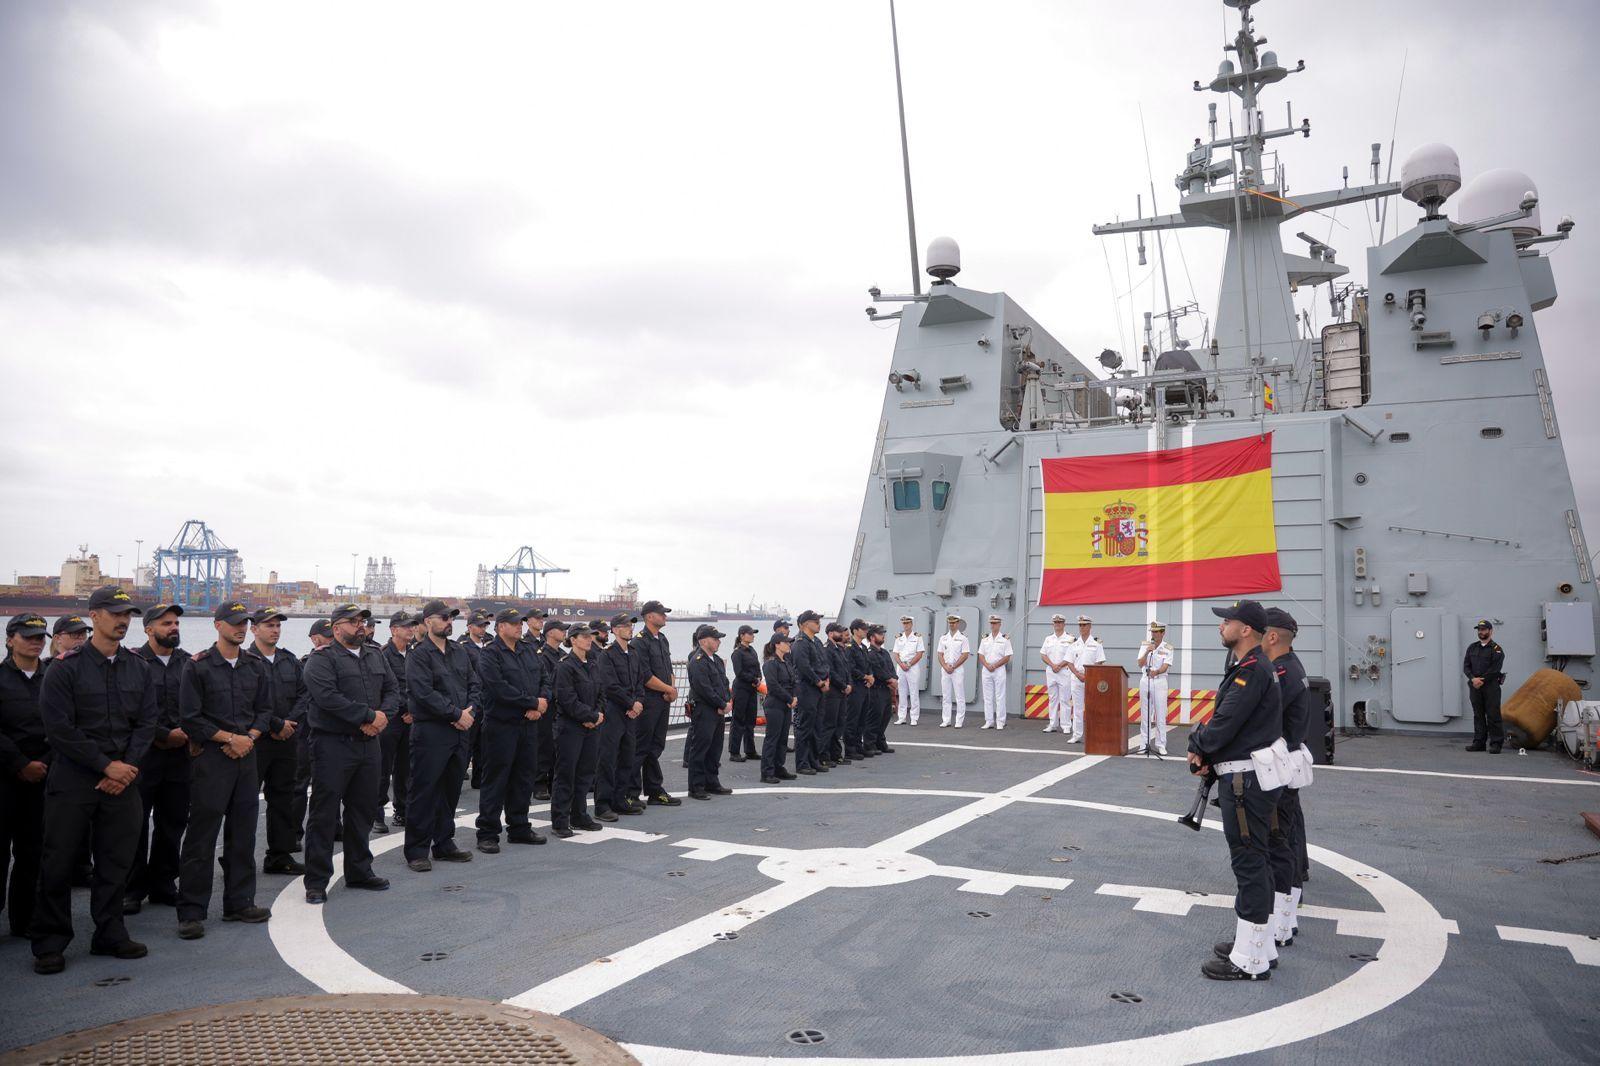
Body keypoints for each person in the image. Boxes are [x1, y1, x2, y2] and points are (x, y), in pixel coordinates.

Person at [31, 585, 158, 975]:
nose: (123, 621)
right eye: (115, 614)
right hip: (74, 780)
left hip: (123, 781)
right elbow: (59, 729)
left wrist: (126, 768)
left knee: (115, 862)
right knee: (58, 862)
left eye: (127, 615)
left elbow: (147, 724)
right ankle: (50, 942)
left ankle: (109, 932)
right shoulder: (64, 668)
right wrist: (106, 766)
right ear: (94, 616)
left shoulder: (139, 668)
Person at [1189, 600, 1283, 981]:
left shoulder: (1251, 670)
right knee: (1255, 860)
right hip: (1247, 776)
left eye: (1227, 621)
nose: (1221, 625)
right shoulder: (1253, 666)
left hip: (1245, 782)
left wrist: (1198, 744)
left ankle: (1251, 960)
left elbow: (1226, 722)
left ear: (1246, 630)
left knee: (1249, 863)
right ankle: (1258, 943)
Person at [175, 599, 274, 940]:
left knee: (243, 833)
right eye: (235, 622)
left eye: (245, 622)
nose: (241, 628)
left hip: (246, 757)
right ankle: (191, 911)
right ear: (218, 625)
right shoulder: (198, 666)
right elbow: (190, 718)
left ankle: (239, 902)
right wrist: (230, 738)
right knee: (202, 836)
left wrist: (249, 738)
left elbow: (265, 710)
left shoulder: (255, 666)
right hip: (212, 758)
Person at [300, 603, 395, 905]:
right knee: (324, 814)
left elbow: (393, 691)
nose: (360, 626)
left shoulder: (375, 655)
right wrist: (368, 716)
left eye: (362, 621)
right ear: (336, 627)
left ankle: (359, 871)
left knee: (362, 811)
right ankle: (316, 881)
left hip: (369, 745)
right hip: (333, 745)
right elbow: (327, 698)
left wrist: (381, 718)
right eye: (353, 621)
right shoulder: (321, 659)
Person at [404, 600, 479, 872]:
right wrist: (456, 714)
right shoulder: (418, 655)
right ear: (428, 622)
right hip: (432, 732)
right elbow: (424, 693)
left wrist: (470, 711)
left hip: (459, 731)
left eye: (451, 618)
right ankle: (417, 850)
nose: (449, 622)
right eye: (444, 617)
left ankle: (444, 843)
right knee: (424, 791)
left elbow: (474, 684)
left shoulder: (459, 652)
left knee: (450, 791)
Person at [125, 603, 190, 914]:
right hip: (143, 755)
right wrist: (163, 734)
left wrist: (185, 733)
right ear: (148, 629)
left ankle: (164, 883)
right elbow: (129, 710)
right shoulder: (132, 664)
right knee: (134, 824)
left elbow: (198, 705)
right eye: (166, 623)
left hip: (181, 756)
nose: (173, 627)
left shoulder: (189, 663)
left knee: (173, 822)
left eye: (175, 623)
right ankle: (132, 888)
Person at [475, 608, 549, 851]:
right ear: (500, 627)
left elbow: (545, 679)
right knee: (496, 780)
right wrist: (531, 703)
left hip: (529, 725)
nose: (520, 626)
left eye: (521, 623)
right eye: (514, 623)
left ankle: (519, 827)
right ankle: (487, 832)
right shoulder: (490, 654)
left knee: (524, 778)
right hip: (501, 726)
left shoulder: (529, 650)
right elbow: (498, 688)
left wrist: (541, 704)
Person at [246, 606, 307, 875]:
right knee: (246, 802)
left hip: (287, 740)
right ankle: (240, 860)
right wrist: (276, 724)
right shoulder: (246, 661)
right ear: (254, 629)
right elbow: (247, 700)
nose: (275, 630)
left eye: (278, 625)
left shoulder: (289, 660)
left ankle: (279, 856)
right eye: (269, 625)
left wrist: (289, 723)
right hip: (256, 741)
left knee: (283, 798)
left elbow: (304, 694)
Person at [1, 614, 52, 940]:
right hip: (4, 777)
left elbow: (65, 722)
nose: (36, 641)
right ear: (10, 640)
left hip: (44, 775)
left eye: (40, 636)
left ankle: (24, 920)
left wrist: (43, 763)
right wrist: (20, 763)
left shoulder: (55, 677)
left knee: (33, 851)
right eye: (28, 636)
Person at [1263, 607, 1309, 949]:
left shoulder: (1282, 672)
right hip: (1287, 764)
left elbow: (1266, 720)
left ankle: (1280, 924)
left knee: (1278, 843)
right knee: (1287, 839)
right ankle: (1287, 919)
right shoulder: (1292, 667)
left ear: (1272, 636)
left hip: (1278, 769)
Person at [550, 623, 604, 837]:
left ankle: (579, 815)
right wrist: (590, 716)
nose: (589, 639)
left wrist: (597, 715)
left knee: (585, 773)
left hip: (591, 727)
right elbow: (566, 699)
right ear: (573, 640)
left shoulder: (593, 664)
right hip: (570, 728)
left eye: (590, 636)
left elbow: (601, 693)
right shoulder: (565, 666)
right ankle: (560, 820)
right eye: (584, 636)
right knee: (566, 774)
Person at [596, 612, 646, 820]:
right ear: (615, 630)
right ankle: (602, 805)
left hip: (630, 714)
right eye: (625, 626)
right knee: (608, 759)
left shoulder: (633, 653)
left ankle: (620, 799)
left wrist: (638, 703)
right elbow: (610, 685)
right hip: (614, 712)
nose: (630, 629)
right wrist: (630, 703)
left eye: (631, 625)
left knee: (627, 757)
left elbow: (640, 682)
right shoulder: (607, 655)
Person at [631, 601, 681, 807]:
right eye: (662, 614)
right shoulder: (639, 642)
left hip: (663, 700)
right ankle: (630, 793)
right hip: (649, 701)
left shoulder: (662, 639)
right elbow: (645, 675)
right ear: (649, 616)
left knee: (656, 747)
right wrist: (668, 689)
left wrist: (672, 689)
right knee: (640, 748)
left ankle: (654, 790)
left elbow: (668, 668)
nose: (665, 617)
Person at [293, 617, 334, 850]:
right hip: (305, 730)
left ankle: (333, 827)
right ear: (314, 639)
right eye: (327, 638)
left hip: (328, 732)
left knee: (329, 783)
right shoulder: (305, 663)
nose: (330, 642)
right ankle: (294, 833)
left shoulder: (338, 663)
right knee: (300, 784)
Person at [377, 611, 415, 832]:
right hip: (390, 720)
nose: (410, 629)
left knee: (405, 769)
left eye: (412, 626)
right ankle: (377, 815)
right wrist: (405, 708)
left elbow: (421, 685)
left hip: (411, 719)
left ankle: (402, 811)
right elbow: (386, 688)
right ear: (393, 630)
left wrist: (414, 710)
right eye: (405, 626)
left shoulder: (415, 654)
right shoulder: (383, 654)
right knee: (382, 769)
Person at [685, 625, 733, 800]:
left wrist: (727, 701)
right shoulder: (697, 661)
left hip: (718, 710)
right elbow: (703, 688)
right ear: (704, 641)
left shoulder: (717, 660)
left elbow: (724, 682)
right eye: (715, 639)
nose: (719, 642)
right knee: (700, 749)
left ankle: (712, 782)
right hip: (704, 710)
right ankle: (696, 787)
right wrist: (721, 704)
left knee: (715, 748)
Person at [457, 609, 493, 790]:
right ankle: (457, 777)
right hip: (472, 700)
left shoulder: (490, 645)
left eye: (484, 625)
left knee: (484, 743)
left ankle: (479, 779)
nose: (482, 629)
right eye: (479, 626)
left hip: (489, 700)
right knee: (468, 742)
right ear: (470, 627)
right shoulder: (463, 647)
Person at [533, 618, 568, 801]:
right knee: (544, 746)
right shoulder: (542, 655)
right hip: (548, 706)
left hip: (561, 707)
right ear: (550, 632)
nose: (564, 632)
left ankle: (553, 782)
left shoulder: (563, 654)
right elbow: (542, 681)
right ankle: (539, 783)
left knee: (558, 747)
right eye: (561, 629)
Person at [790, 611, 828, 775]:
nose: (819, 624)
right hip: (806, 689)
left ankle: (813, 760)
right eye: (815, 621)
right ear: (805, 624)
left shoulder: (816, 642)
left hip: (818, 689)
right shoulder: (800, 643)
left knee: (816, 727)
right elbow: (803, 667)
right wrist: (819, 681)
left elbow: (823, 663)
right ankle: (802, 763)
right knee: (805, 727)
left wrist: (826, 679)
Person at [760, 632, 798, 783]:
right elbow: (773, 686)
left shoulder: (786, 662)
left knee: (783, 738)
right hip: (775, 704)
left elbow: (793, 682)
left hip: (786, 704)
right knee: (772, 738)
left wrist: (794, 697)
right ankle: (767, 772)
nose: (789, 645)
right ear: (777, 644)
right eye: (786, 642)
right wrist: (789, 699)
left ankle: (778, 767)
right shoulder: (770, 663)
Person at [1464, 620, 1506, 754]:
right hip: (1475, 686)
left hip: (1490, 687)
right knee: (1478, 715)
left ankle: (1496, 744)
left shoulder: (1496, 649)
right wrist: (1473, 678)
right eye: (1479, 630)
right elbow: (1466, 666)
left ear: (1490, 631)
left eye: (1483, 629)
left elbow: (1495, 669)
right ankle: (1479, 743)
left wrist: (1480, 680)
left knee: (1493, 715)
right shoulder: (1472, 647)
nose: (1481, 632)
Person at [1064, 615, 1105, 743]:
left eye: (1084, 625)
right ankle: (1077, 734)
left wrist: (1088, 676)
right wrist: (1078, 674)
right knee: (1077, 708)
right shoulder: (1074, 644)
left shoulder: (1096, 644)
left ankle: (1094, 735)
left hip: (1091, 678)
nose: (1082, 627)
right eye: (1080, 625)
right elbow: (1069, 662)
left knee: (1093, 708)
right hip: (1077, 678)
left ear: (1090, 626)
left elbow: (1099, 662)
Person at [1136, 621, 1174, 755]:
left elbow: (1166, 666)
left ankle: (1161, 744)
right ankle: (1144, 743)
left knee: (1160, 713)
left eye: (1156, 632)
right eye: (1152, 632)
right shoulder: (1145, 645)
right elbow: (1140, 663)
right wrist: (1147, 651)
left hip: (1160, 681)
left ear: (1163, 633)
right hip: (1145, 680)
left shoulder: (1168, 648)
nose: (1153, 634)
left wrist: (1156, 672)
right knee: (1145, 714)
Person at [727, 625, 761, 763]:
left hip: (752, 689)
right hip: (741, 689)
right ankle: (734, 752)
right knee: (738, 720)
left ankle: (750, 750)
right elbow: (739, 672)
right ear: (742, 636)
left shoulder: (752, 651)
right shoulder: (737, 653)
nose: (753, 636)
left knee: (750, 721)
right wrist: (754, 680)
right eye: (750, 633)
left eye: (753, 633)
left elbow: (757, 667)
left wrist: (759, 678)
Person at [1040, 615, 1076, 734]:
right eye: (1055, 622)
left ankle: (1066, 725)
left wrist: (1059, 665)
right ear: (1053, 624)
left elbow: (1071, 656)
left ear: (1064, 624)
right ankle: (1053, 724)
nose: (1057, 624)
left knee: (1065, 699)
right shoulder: (1048, 639)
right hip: (1051, 672)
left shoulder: (1070, 639)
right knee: (1052, 698)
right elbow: (1043, 654)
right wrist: (1052, 665)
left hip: (1064, 671)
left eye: (1060, 622)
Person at [865, 624, 897, 754]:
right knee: (875, 717)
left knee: (885, 716)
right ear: (872, 637)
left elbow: (891, 668)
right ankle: (869, 744)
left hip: (886, 689)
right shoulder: (870, 653)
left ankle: (880, 741)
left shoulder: (884, 652)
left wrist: (894, 678)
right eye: (880, 634)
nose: (883, 636)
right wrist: (890, 680)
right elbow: (877, 670)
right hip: (876, 689)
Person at [823, 623, 852, 763]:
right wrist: (843, 685)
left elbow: (846, 670)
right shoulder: (827, 650)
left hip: (842, 692)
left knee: (840, 724)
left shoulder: (839, 649)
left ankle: (836, 754)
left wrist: (849, 684)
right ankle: (825, 756)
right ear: (830, 633)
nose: (841, 634)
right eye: (838, 632)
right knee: (829, 725)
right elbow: (830, 671)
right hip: (833, 693)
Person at [845, 620, 875, 759]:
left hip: (864, 687)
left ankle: (858, 745)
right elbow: (850, 667)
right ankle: (850, 749)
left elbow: (868, 665)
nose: (865, 631)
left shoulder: (863, 647)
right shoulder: (850, 647)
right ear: (855, 630)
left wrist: (870, 677)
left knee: (862, 718)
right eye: (863, 629)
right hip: (855, 687)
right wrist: (865, 677)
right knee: (853, 719)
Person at [977, 615, 1013, 730]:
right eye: (991, 623)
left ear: (999, 624)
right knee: (987, 697)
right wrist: (987, 665)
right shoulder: (985, 639)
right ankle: (989, 721)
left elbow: (1007, 656)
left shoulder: (1005, 639)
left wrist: (995, 665)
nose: (993, 625)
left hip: (999, 670)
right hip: (986, 670)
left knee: (1000, 696)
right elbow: (980, 654)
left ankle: (1000, 721)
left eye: (995, 623)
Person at [936, 614, 970, 729]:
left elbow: (965, 655)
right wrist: (945, 666)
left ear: (958, 623)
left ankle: (959, 721)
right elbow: (940, 654)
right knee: (946, 696)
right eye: (950, 623)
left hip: (957, 669)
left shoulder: (963, 638)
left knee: (959, 696)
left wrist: (954, 666)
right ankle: (946, 720)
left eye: (954, 622)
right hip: (945, 668)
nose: (952, 624)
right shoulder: (943, 638)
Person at [892, 616, 925, 726]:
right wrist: (901, 664)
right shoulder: (899, 638)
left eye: (907, 623)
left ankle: (914, 718)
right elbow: (895, 653)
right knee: (901, 692)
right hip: (901, 667)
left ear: (911, 624)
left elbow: (919, 653)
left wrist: (909, 664)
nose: (905, 625)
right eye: (904, 623)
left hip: (913, 667)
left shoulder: (917, 637)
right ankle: (902, 717)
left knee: (914, 692)